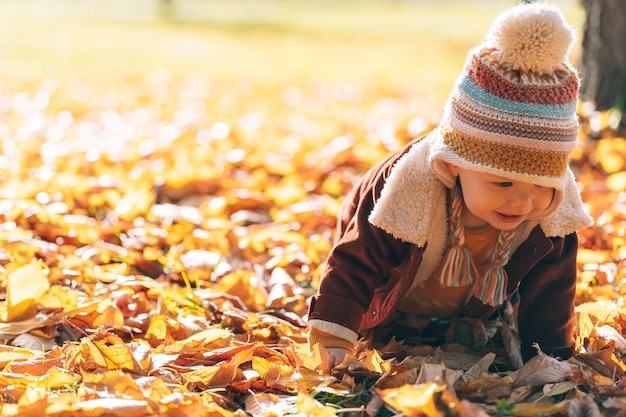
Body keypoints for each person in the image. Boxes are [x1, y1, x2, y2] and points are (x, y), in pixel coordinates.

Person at [307, 2, 594, 366]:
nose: (524, 202)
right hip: (390, 294)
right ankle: (402, 319)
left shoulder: (555, 212)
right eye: (503, 183)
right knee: (371, 270)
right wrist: (335, 330)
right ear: (454, 164)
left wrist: (551, 356)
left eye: (540, 185)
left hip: (468, 299)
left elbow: (553, 288)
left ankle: (467, 318)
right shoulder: (405, 190)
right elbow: (357, 259)